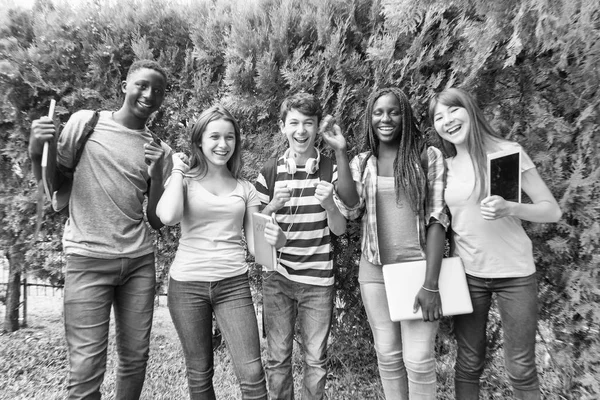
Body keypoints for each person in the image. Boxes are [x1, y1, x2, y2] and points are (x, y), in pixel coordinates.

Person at [28, 59, 172, 399]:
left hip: (138, 263)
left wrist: (156, 176)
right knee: (85, 370)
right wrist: (37, 153)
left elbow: (154, 219)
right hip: (87, 259)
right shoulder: (85, 123)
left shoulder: (158, 148)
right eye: (142, 84)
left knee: (135, 360)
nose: (149, 94)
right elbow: (53, 186)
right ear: (125, 85)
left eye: (158, 90)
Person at [428, 87, 562, 400]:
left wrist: (511, 207)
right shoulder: (444, 167)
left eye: (453, 110)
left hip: (515, 274)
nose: (447, 120)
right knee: (469, 363)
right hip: (469, 275)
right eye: (438, 116)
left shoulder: (505, 154)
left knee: (520, 367)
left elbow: (551, 209)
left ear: (470, 110)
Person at [325, 87, 449, 400]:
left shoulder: (426, 156)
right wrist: (340, 151)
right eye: (378, 112)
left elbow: (437, 220)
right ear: (370, 118)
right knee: (389, 356)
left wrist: (431, 284)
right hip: (375, 273)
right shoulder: (363, 161)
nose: (385, 118)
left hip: (419, 272)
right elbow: (351, 209)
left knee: (419, 360)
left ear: (404, 115)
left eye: (393, 111)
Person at [156, 105, 273, 400]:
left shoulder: (245, 189)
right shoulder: (183, 179)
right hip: (186, 286)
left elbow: (259, 248)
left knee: (253, 374)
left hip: (232, 285)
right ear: (199, 141)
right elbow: (168, 217)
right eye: (215, 137)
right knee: (199, 374)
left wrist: (276, 235)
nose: (223, 145)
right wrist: (178, 170)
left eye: (230, 137)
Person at [254, 92, 347, 400]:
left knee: (315, 360)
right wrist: (272, 208)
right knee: (278, 359)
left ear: (317, 126)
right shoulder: (269, 171)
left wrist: (330, 206)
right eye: (293, 123)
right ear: (283, 127)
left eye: (308, 123)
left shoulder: (329, 170)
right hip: (277, 279)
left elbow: (340, 229)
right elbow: (254, 231)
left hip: (318, 282)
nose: (301, 130)